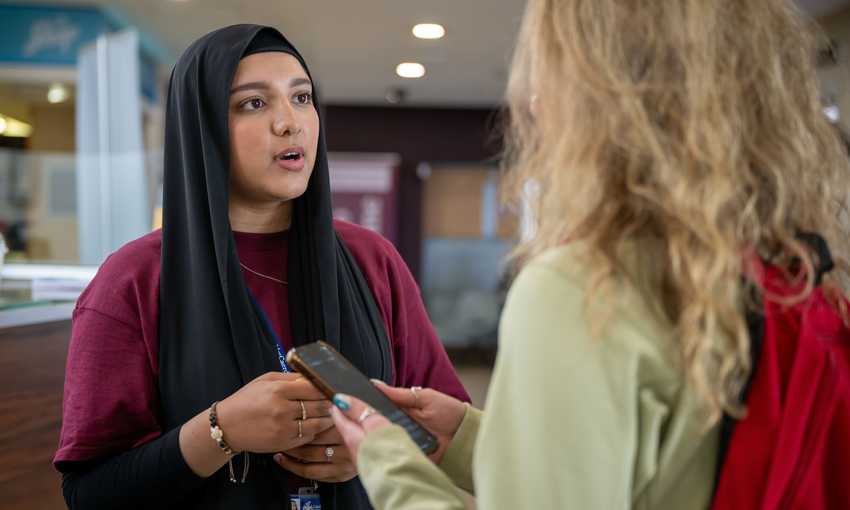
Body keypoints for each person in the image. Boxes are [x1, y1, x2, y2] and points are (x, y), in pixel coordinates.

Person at [328, 0, 850, 508]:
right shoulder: (793, 272)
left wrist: (390, 463)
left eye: (553, 71)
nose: (533, 104)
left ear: (607, 98)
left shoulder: (581, 290)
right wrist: (468, 440)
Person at [54, 25, 468, 510]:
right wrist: (219, 432)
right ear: (203, 125)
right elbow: (90, 493)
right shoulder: (133, 279)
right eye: (254, 103)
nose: (290, 123)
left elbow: (442, 433)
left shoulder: (370, 259)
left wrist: (372, 451)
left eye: (302, 97)